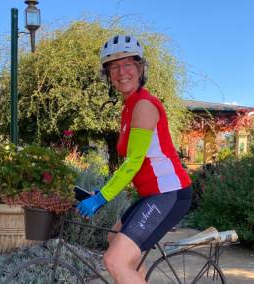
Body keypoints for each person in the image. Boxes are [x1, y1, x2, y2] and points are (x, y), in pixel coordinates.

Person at [76, 35, 192, 284]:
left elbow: (134, 161)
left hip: (169, 193)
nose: (121, 72)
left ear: (140, 68)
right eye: (113, 67)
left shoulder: (144, 106)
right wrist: (102, 190)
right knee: (114, 238)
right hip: (153, 194)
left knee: (114, 260)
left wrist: (102, 197)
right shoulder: (129, 107)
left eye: (127, 64)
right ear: (108, 75)